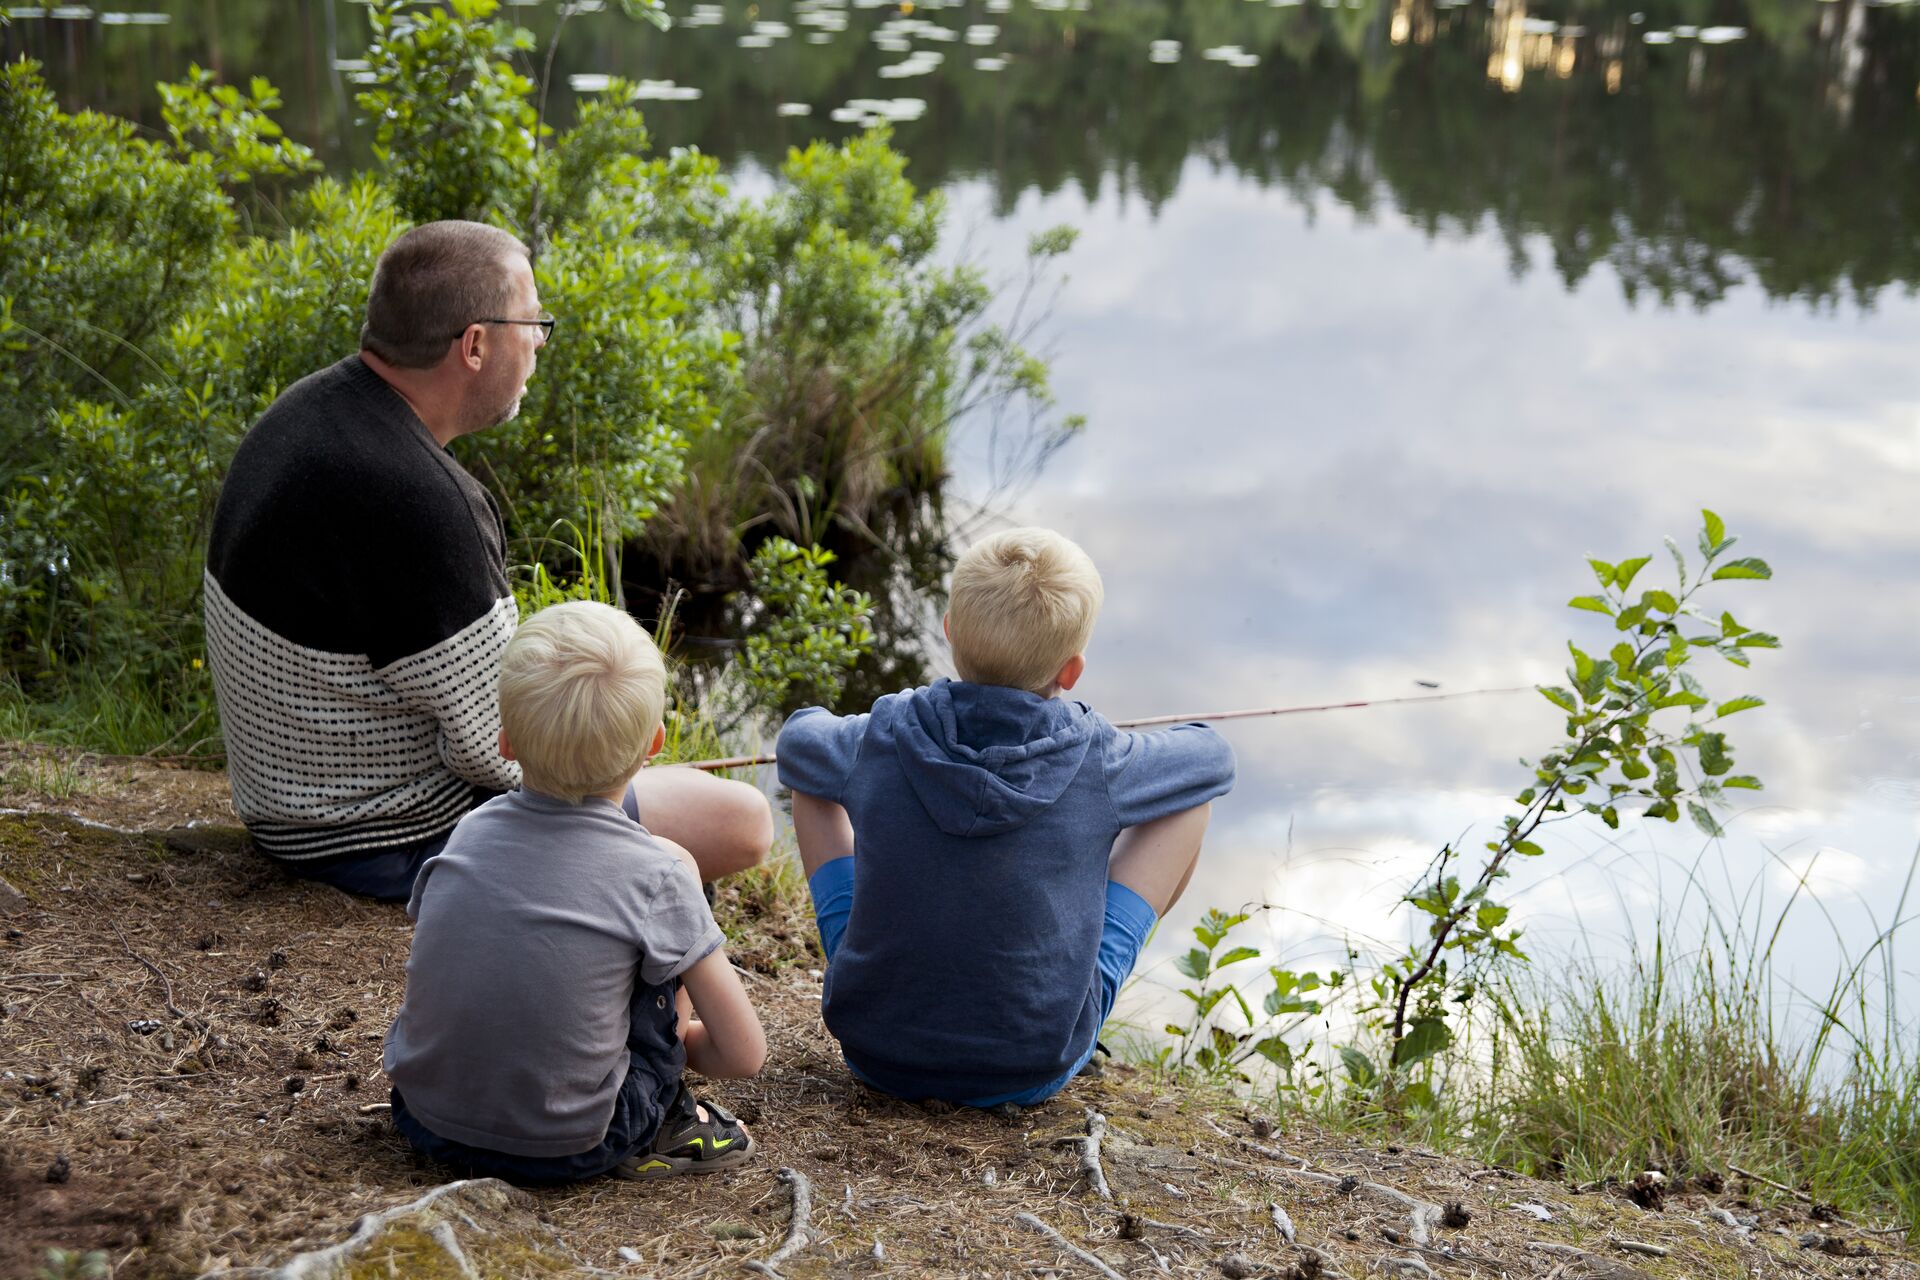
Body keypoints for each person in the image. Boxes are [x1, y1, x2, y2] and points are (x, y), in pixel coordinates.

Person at [204, 220, 770, 899]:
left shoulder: (304, 414)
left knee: (672, 790)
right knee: (744, 820)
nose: (538, 340)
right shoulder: (424, 504)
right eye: (531, 321)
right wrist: (619, 757)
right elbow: (507, 749)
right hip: (379, 839)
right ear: (474, 345)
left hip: (285, 809)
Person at [776, 527, 1236, 1107]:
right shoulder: (1102, 758)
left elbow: (798, 742)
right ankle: (1073, 971)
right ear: (1071, 672)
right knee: (1188, 798)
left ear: (949, 632)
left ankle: (862, 963)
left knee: (814, 782)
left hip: (874, 1048)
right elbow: (1213, 759)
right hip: (1032, 1065)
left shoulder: (880, 734)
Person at [384, 600, 766, 1183]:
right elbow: (745, 1053)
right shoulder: (661, 873)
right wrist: (677, 1045)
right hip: (575, 1142)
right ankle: (667, 1119)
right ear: (654, 746)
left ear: (506, 743)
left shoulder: (468, 832)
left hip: (424, 1117)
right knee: (670, 902)